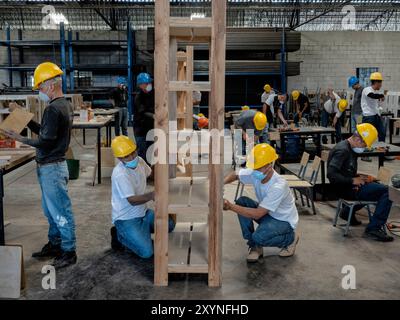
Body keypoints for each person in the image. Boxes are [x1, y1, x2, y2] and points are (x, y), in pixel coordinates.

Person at [0, 62, 77, 269]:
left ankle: (68, 251)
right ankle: (55, 243)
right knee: (51, 210)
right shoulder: (64, 104)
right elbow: (45, 131)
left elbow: (45, 141)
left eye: (41, 88)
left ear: (51, 86)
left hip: (52, 167)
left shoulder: (53, 109)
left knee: (60, 211)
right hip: (50, 166)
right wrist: (24, 119)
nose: (40, 92)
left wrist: (20, 138)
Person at [223, 144, 299, 262]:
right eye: (254, 167)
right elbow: (236, 174)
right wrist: (221, 184)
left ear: (269, 166)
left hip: (283, 220)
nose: (254, 171)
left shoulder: (278, 185)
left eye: (258, 168)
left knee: (259, 237)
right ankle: (254, 246)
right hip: (268, 213)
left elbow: (258, 214)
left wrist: (230, 206)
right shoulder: (256, 172)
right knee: (242, 201)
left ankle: (290, 239)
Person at [110, 135, 176, 258]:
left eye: (133, 153)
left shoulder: (139, 161)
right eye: (126, 156)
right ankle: (119, 235)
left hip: (143, 213)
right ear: (119, 158)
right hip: (126, 219)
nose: (132, 157)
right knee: (147, 252)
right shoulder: (120, 174)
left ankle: (141, 233)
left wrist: (159, 159)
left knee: (170, 225)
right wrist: (152, 195)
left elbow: (150, 174)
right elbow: (132, 201)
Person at [327, 123, 393, 242]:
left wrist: (362, 177)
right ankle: (374, 229)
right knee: (387, 192)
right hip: (346, 189)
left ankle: (347, 212)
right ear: (357, 139)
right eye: (364, 144)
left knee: (376, 187)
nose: (364, 147)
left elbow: (345, 171)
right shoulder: (343, 150)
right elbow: (331, 175)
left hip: (348, 187)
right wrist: (353, 180)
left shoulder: (348, 147)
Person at [134, 73, 155, 163]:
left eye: (149, 83)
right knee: (142, 153)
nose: (148, 85)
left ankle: (149, 173)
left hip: (151, 128)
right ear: (140, 85)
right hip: (140, 129)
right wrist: (153, 116)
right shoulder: (138, 97)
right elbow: (142, 112)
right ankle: (142, 175)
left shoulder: (153, 94)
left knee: (151, 152)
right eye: (146, 83)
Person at [361, 72, 386, 142]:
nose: (381, 85)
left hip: (376, 116)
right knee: (368, 136)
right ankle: (367, 151)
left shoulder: (375, 92)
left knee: (382, 133)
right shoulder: (367, 89)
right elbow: (371, 95)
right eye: (380, 83)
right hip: (368, 117)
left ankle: (382, 148)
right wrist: (381, 95)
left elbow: (375, 97)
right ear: (376, 82)